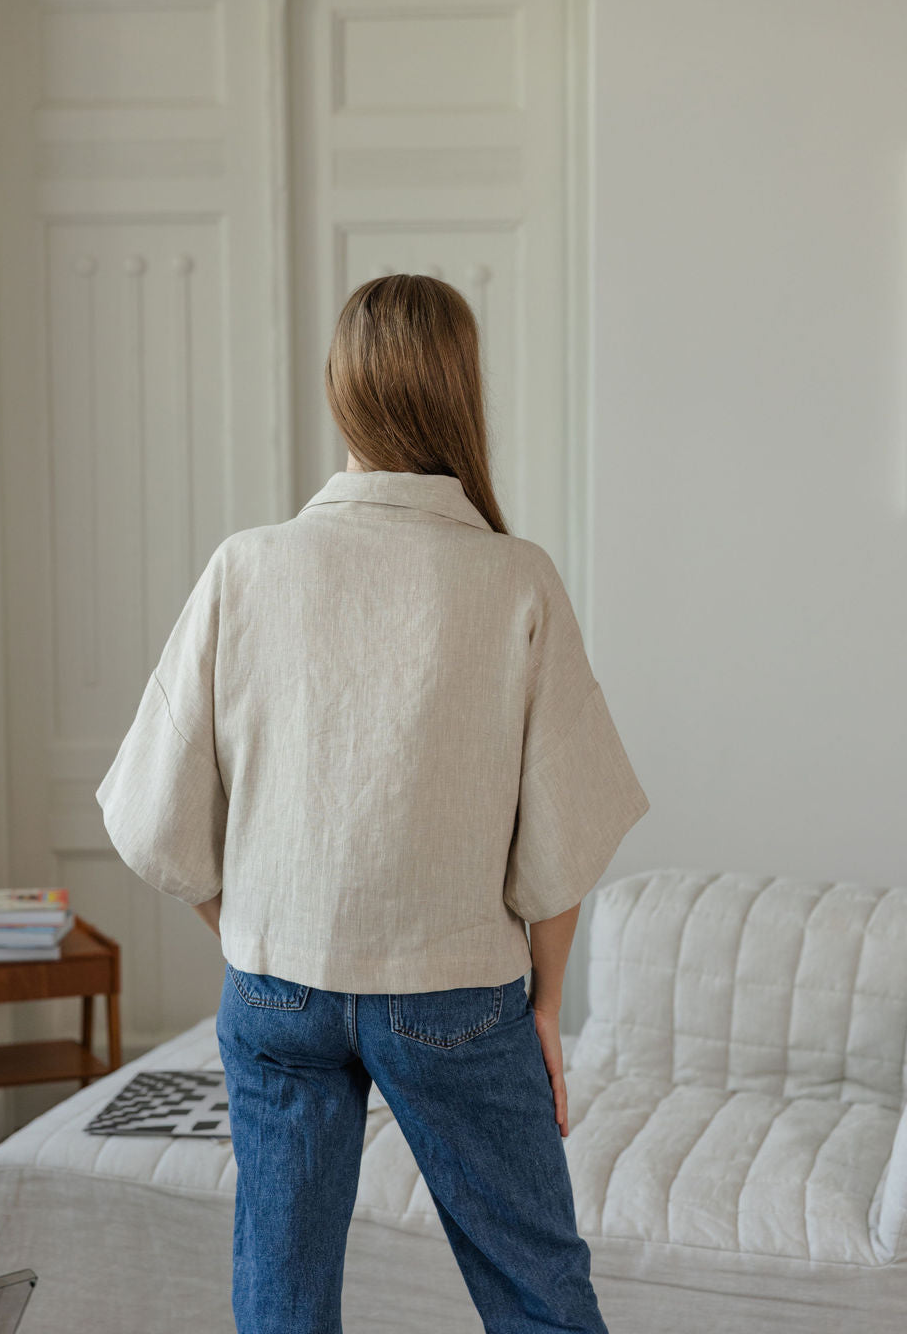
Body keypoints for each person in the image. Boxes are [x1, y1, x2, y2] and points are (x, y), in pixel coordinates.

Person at [96, 273, 651, 1334]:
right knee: (539, 1292)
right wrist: (543, 1006)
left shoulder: (245, 568)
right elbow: (566, 831)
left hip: (273, 995)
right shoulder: (514, 579)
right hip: (454, 995)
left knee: (282, 1302)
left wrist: (252, 934)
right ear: (459, 391)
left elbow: (152, 816)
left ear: (340, 393)